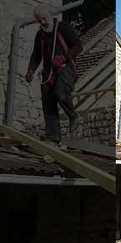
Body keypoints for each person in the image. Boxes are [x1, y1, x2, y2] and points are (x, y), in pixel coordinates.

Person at [25, 4, 83, 143]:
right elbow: (36, 55)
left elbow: (78, 46)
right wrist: (31, 70)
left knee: (60, 92)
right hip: (48, 73)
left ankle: (73, 116)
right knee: (48, 102)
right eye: (40, 20)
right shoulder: (40, 35)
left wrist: (65, 57)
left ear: (50, 16)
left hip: (66, 68)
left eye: (44, 19)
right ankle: (53, 136)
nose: (43, 22)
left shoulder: (63, 28)